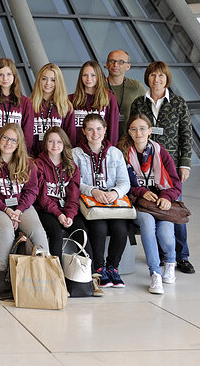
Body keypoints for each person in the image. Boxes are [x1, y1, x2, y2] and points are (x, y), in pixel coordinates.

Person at [129, 61, 194, 274]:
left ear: (167, 79)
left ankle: (181, 256)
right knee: (151, 207)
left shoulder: (178, 103)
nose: (156, 80)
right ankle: (162, 254)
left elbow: (186, 135)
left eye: (161, 76)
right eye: (153, 76)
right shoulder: (139, 102)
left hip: (170, 167)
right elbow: (131, 131)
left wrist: (185, 164)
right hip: (144, 166)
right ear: (147, 77)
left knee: (174, 212)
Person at [0, 123, 47, 300]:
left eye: (14, 140)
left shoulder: (27, 164)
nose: (9, 143)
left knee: (38, 231)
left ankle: (44, 277)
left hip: (21, 206)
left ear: (19, 144)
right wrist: (7, 210)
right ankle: (0, 282)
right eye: (5, 138)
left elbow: (31, 191)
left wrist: (18, 210)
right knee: (6, 231)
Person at [119, 114, 181, 295]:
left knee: (166, 236)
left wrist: (167, 197)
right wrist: (141, 191)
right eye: (134, 129)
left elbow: (175, 184)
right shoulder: (122, 153)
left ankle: (170, 262)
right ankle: (155, 273)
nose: (138, 133)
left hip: (161, 203)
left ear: (150, 131)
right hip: (137, 203)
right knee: (147, 223)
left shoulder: (161, 152)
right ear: (129, 132)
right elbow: (121, 182)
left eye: (142, 129)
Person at [72, 113, 130, 290]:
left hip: (112, 201)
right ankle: (99, 268)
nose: (94, 133)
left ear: (105, 130)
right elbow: (75, 182)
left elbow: (125, 182)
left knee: (121, 230)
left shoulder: (115, 153)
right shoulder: (76, 153)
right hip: (91, 201)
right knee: (99, 228)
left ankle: (113, 268)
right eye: (90, 129)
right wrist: (93, 191)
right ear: (84, 131)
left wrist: (115, 192)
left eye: (98, 129)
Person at [33, 128, 88, 262]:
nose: (55, 146)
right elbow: (42, 198)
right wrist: (59, 214)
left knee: (81, 231)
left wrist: (69, 215)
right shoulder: (38, 165)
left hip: (66, 210)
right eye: (51, 141)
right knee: (56, 233)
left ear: (64, 144)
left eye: (59, 142)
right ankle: (57, 277)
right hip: (45, 210)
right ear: (45, 144)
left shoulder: (71, 167)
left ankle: (88, 276)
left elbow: (74, 197)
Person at [29, 63, 76, 156]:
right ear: (39, 80)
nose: (48, 83)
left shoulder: (66, 107)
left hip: (57, 161)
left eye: (53, 80)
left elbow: (70, 139)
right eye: (44, 79)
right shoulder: (29, 105)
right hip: (32, 160)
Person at [69, 60, 120, 146]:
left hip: (101, 152)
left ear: (99, 77)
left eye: (93, 75)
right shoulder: (71, 100)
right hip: (76, 152)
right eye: (85, 75)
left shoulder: (109, 99)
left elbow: (113, 131)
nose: (89, 79)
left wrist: (109, 152)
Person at [105, 50, 146, 135]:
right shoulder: (98, 87)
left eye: (121, 62)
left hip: (129, 140)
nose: (115, 65)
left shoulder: (135, 86)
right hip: (103, 140)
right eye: (112, 61)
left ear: (128, 66)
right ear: (107, 64)